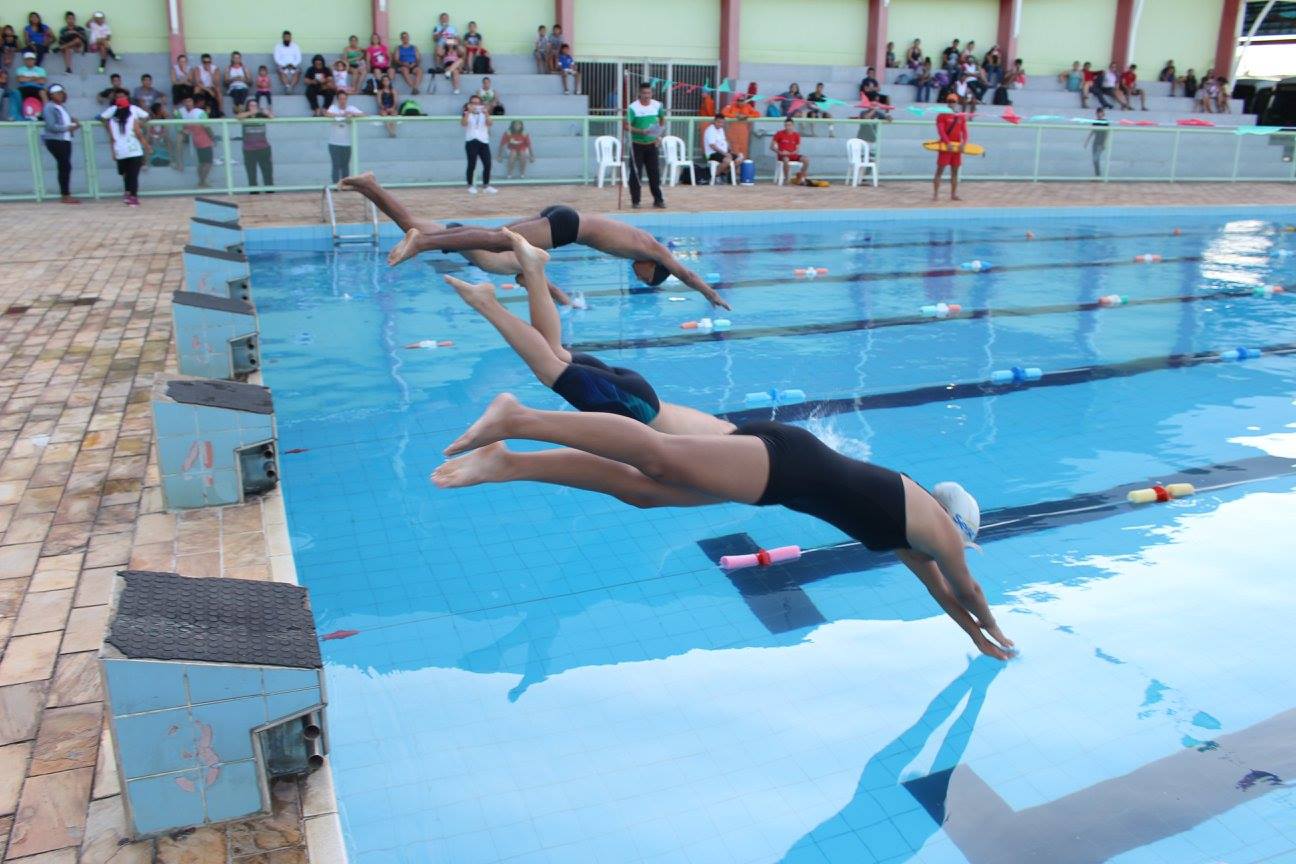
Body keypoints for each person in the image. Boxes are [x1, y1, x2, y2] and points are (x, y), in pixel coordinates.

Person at [432, 393, 1016, 662]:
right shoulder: (935, 530)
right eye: (963, 539)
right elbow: (967, 587)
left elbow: (943, 593)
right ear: (956, 524)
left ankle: (509, 462)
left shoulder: (912, 537)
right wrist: (994, 627)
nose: (959, 548)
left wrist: (975, 639)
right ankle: (522, 418)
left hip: (787, 478)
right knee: (658, 458)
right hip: (791, 464)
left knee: (644, 493)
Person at [447, 229, 734, 435]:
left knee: (553, 351)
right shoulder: (727, 452)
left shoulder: (734, 434)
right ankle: (487, 303)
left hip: (641, 395)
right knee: (548, 368)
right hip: (635, 408)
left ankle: (533, 272)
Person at [346, 173, 727, 306]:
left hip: (562, 216)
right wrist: (712, 294)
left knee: (493, 239)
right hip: (568, 226)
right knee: (497, 241)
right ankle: (421, 244)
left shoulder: (644, 242)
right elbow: (686, 274)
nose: (638, 276)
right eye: (645, 277)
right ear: (655, 268)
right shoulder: (657, 250)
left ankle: (374, 191)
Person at [102, 93, 149, 205]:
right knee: (133, 175)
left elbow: (112, 139)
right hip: (133, 150)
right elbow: (138, 133)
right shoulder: (132, 117)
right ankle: (133, 196)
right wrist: (147, 146)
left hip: (120, 151)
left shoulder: (112, 121)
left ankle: (127, 194)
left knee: (126, 174)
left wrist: (113, 152)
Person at [625, 82, 665, 209]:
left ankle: (658, 200)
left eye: (649, 93)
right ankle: (635, 201)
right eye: (644, 93)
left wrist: (658, 135)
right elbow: (626, 125)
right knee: (636, 174)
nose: (647, 96)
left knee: (654, 173)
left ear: (651, 93)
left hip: (652, 145)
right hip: (637, 145)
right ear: (639, 94)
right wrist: (640, 131)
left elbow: (662, 120)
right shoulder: (633, 107)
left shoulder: (657, 105)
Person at [41, 83, 79, 203]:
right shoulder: (49, 107)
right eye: (58, 93)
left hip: (65, 139)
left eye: (62, 93)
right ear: (52, 95)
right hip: (56, 140)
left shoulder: (61, 107)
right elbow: (51, 126)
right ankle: (65, 194)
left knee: (65, 166)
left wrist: (72, 122)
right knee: (64, 165)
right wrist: (68, 128)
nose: (61, 95)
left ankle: (66, 193)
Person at [932, 92, 967, 201]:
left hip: (956, 147)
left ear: (957, 103)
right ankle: (935, 194)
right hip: (945, 147)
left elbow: (965, 131)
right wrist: (948, 143)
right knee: (940, 170)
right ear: (947, 103)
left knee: (955, 171)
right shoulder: (942, 115)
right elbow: (941, 131)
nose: (951, 103)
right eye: (950, 101)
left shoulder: (960, 116)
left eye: (953, 101)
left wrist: (963, 143)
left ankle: (953, 194)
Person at [325, 90, 362, 183]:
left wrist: (352, 114)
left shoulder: (351, 108)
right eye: (340, 99)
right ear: (337, 100)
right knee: (336, 165)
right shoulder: (333, 107)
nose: (343, 101)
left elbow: (362, 114)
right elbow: (327, 113)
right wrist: (341, 114)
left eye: (344, 99)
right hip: (334, 143)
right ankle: (336, 185)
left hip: (347, 143)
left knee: (345, 165)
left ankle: (345, 184)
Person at [461, 93, 495, 193]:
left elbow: (490, 123)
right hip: (471, 141)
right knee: (472, 164)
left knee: (488, 163)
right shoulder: (466, 113)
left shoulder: (484, 113)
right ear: (469, 104)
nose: (476, 105)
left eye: (478, 103)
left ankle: (486, 185)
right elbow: (463, 124)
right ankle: (470, 185)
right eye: (473, 103)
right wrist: (468, 113)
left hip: (483, 141)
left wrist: (486, 113)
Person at [237, 100, 273, 190]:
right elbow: (238, 117)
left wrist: (266, 112)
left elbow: (272, 117)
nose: (253, 107)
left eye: (255, 105)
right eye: (251, 105)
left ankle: (269, 191)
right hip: (249, 150)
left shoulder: (261, 115)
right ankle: (253, 192)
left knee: (267, 172)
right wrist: (250, 113)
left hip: (263, 148)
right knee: (251, 173)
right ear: (247, 107)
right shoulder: (245, 115)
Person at [179, 94, 213, 186]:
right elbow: (207, 127)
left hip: (196, 140)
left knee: (202, 162)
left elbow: (186, 129)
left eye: (189, 101)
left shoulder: (189, 115)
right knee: (208, 163)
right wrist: (212, 137)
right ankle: (202, 181)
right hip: (204, 140)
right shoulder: (200, 112)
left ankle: (201, 181)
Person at [703, 114, 743, 182]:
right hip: (713, 153)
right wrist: (725, 154)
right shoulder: (710, 130)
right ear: (714, 121)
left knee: (739, 158)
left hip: (723, 153)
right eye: (718, 122)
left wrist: (729, 150)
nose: (720, 124)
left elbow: (724, 141)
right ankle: (713, 177)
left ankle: (725, 175)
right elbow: (712, 146)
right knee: (727, 160)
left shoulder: (721, 129)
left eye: (722, 123)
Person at [771, 116, 807, 185]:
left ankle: (802, 178)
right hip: (783, 155)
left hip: (793, 155)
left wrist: (792, 153)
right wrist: (780, 152)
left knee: (806, 160)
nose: (787, 127)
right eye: (786, 125)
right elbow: (772, 147)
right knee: (786, 159)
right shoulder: (779, 134)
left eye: (789, 125)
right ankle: (787, 179)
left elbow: (797, 149)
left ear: (793, 125)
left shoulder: (796, 135)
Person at [1084, 107, 1108, 178]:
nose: (1099, 114)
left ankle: (1098, 175)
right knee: (1095, 160)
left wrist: (1105, 143)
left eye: (1101, 112)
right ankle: (1097, 175)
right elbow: (1092, 132)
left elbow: (1107, 133)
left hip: (1101, 143)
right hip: (1095, 143)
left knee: (1096, 159)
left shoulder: (1105, 122)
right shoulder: (1095, 122)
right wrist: (1087, 141)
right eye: (1098, 112)